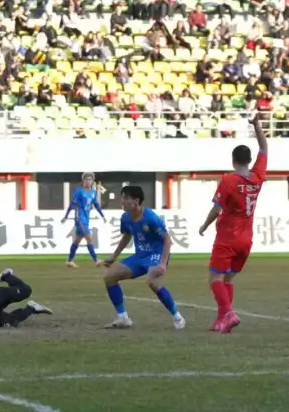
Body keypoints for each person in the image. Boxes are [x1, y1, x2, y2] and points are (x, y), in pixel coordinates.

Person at [198, 113, 267, 333]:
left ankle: (228, 314)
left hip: (227, 237)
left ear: (233, 160)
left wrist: (204, 226)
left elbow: (217, 209)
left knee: (214, 278)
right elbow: (264, 148)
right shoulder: (257, 177)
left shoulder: (229, 180)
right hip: (246, 240)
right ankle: (221, 320)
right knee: (227, 279)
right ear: (249, 160)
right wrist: (257, 125)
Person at [98, 185, 185, 330]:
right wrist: (114, 256)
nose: (123, 201)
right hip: (140, 256)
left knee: (152, 281)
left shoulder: (151, 218)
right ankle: (123, 318)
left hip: (156, 254)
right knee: (109, 277)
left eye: (126, 198)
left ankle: (177, 317)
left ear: (137, 201)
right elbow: (127, 235)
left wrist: (163, 263)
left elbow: (167, 240)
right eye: (122, 198)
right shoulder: (126, 218)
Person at [62, 172, 105, 267]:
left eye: (90, 179)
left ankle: (69, 260)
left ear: (93, 181)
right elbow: (72, 204)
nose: (88, 181)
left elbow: (96, 205)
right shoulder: (79, 191)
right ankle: (96, 260)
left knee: (77, 240)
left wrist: (102, 215)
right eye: (86, 179)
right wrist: (66, 216)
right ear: (83, 180)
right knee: (89, 238)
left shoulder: (93, 192)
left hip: (86, 219)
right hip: (79, 219)